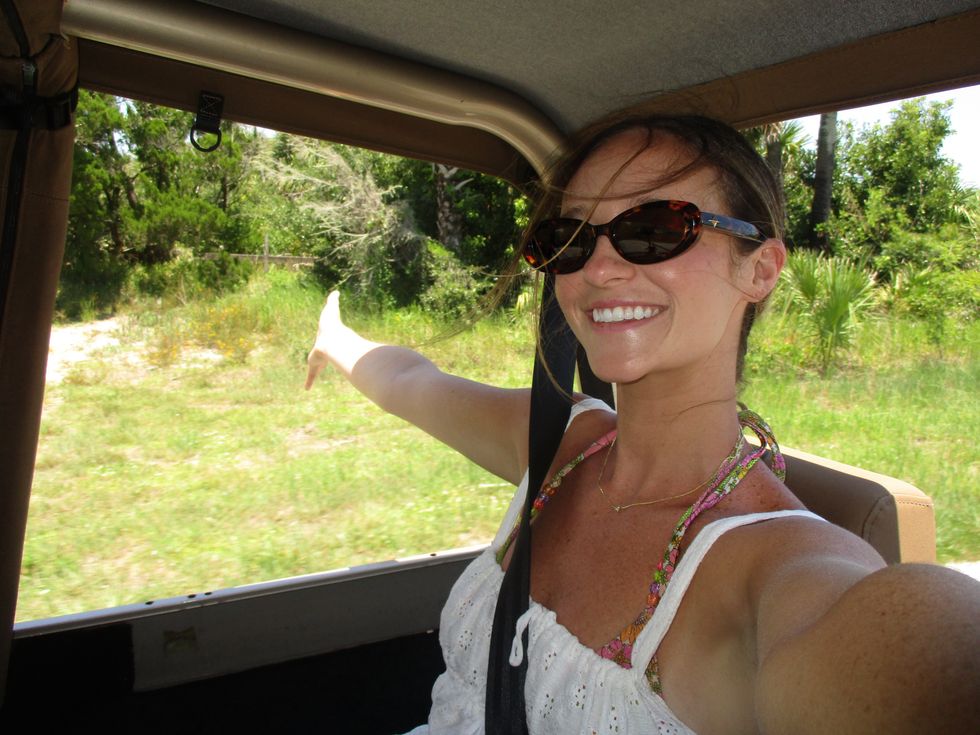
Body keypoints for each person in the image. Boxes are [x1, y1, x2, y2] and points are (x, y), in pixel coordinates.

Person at [305, 114, 980, 734]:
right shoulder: (558, 442)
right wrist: (335, 339)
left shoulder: (782, 571)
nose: (597, 268)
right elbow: (414, 383)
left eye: (656, 228)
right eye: (568, 237)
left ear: (762, 268)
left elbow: (920, 659)